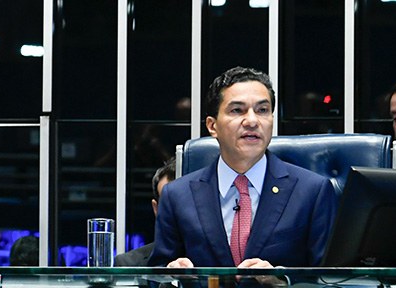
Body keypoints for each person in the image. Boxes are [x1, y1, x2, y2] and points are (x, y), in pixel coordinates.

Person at [149, 67, 337, 269]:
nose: (252, 121)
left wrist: (284, 281)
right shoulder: (177, 195)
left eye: (262, 110)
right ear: (212, 126)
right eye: (237, 110)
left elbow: (329, 283)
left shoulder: (312, 191)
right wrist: (173, 279)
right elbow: (156, 280)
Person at [114, 158, 175, 267]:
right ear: (156, 208)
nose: (178, 211)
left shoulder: (214, 260)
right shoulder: (128, 265)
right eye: (168, 203)